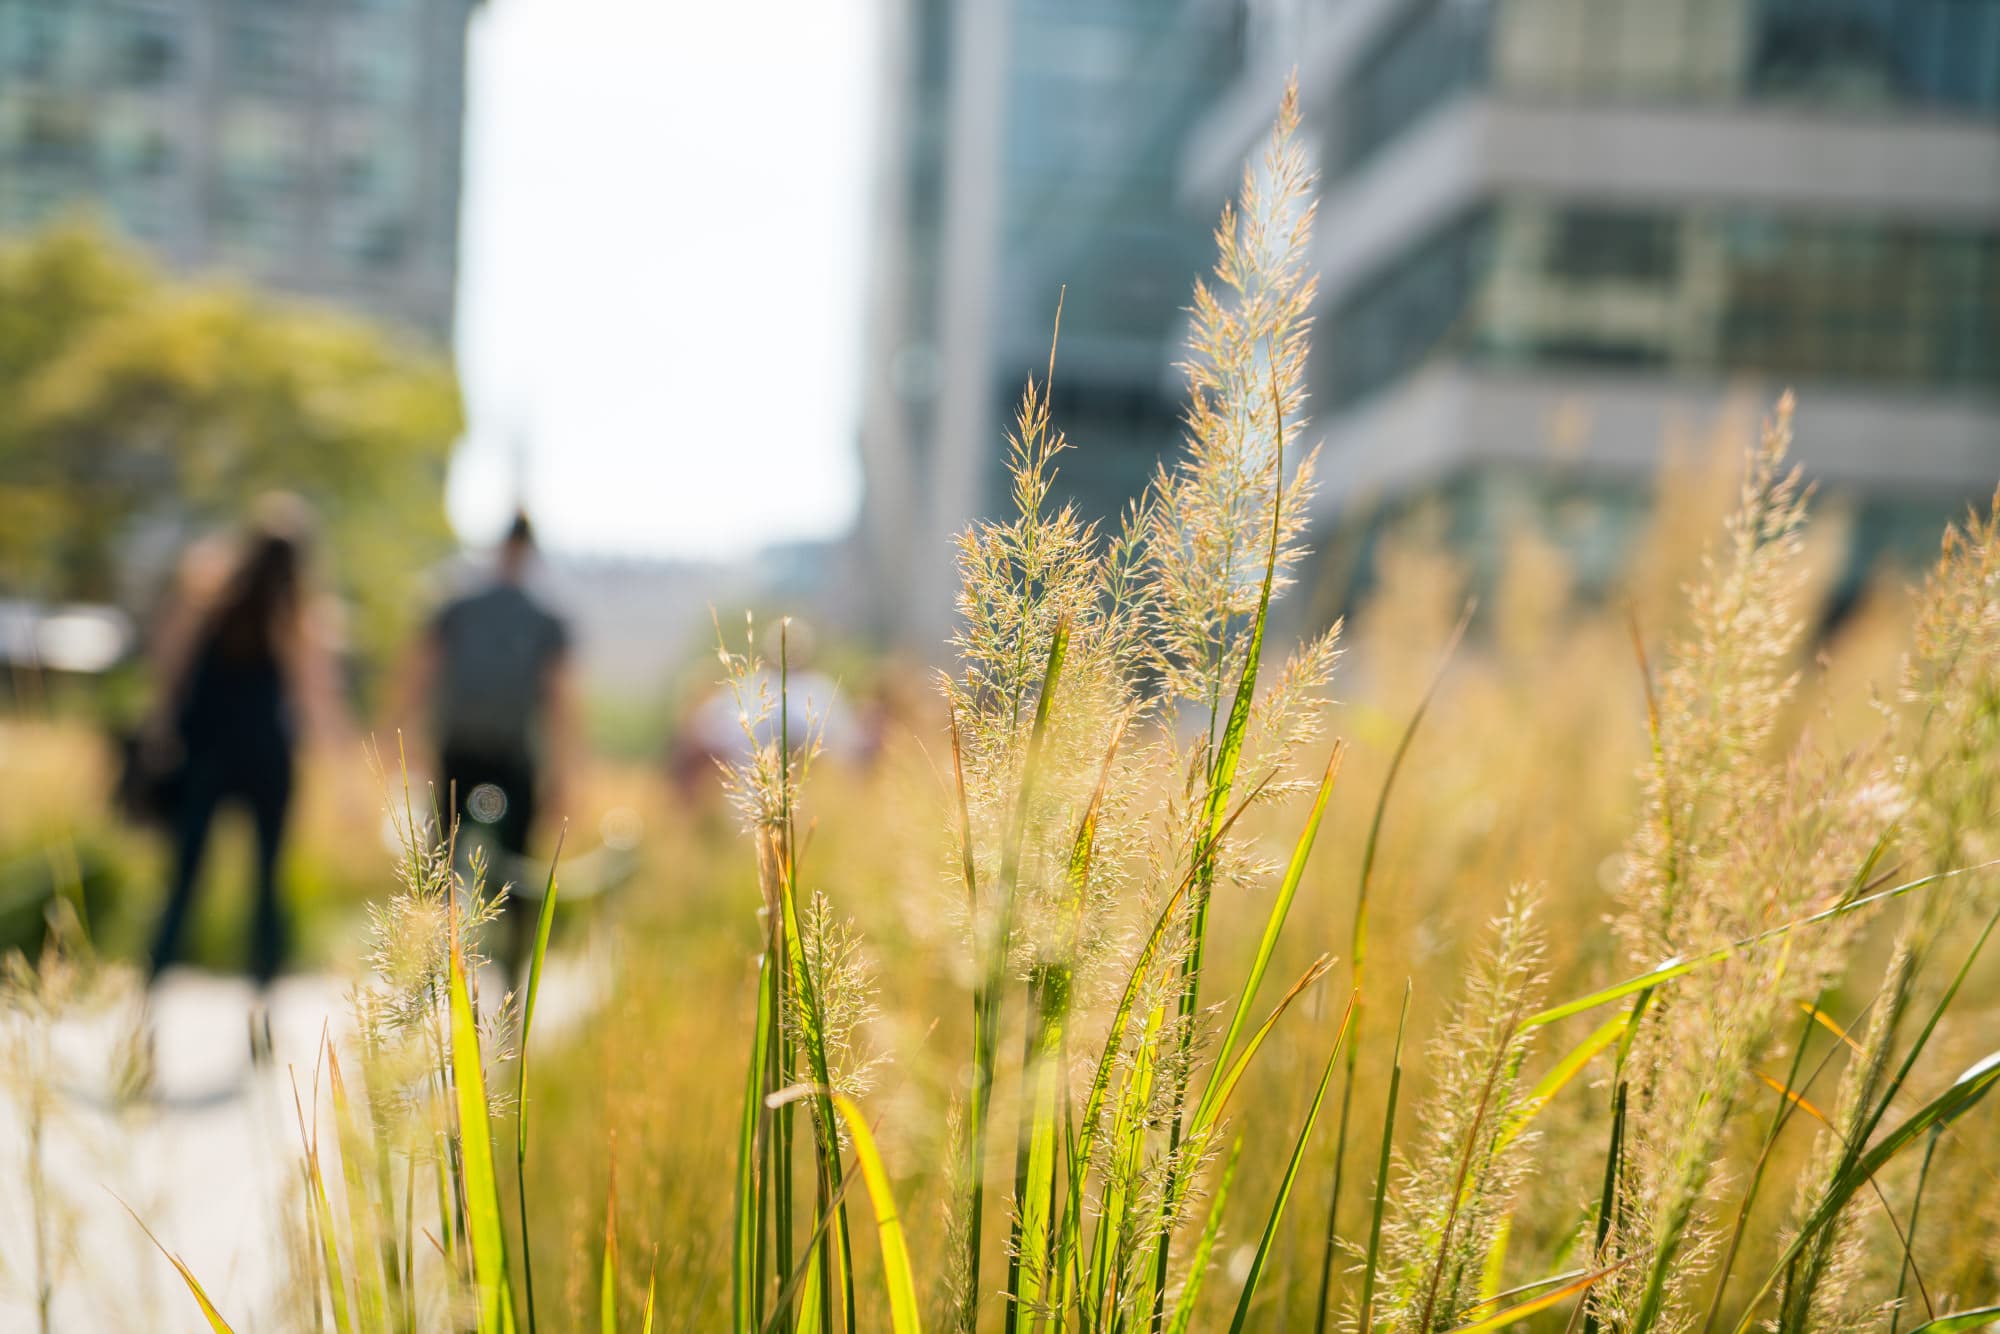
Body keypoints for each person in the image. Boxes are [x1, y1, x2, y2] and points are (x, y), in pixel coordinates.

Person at [144, 496, 350, 1059]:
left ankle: (147, 1007)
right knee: (266, 890)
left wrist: (160, 730)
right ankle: (261, 1019)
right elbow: (318, 696)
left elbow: (168, 664)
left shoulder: (209, 593)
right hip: (267, 763)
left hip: (204, 756)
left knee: (182, 886)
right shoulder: (298, 614)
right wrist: (349, 774)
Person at [393, 511, 579, 982]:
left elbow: (560, 699)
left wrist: (563, 773)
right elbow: (561, 701)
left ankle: (495, 972)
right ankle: (445, 968)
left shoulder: (483, 609)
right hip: (478, 753)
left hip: (492, 754)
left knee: (492, 868)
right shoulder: (522, 615)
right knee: (453, 865)